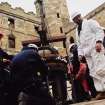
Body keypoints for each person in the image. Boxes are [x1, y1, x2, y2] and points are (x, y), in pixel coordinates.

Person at [71, 11, 105, 99]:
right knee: (93, 72)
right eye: (75, 19)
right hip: (87, 54)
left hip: (96, 49)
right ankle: (101, 90)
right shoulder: (77, 30)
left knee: (101, 68)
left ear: (80, 16)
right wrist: (80, 54)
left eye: (78, 17)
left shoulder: (90, 23)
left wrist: (99, 42)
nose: (77, 19)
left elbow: (99, 31)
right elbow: (79, 44)